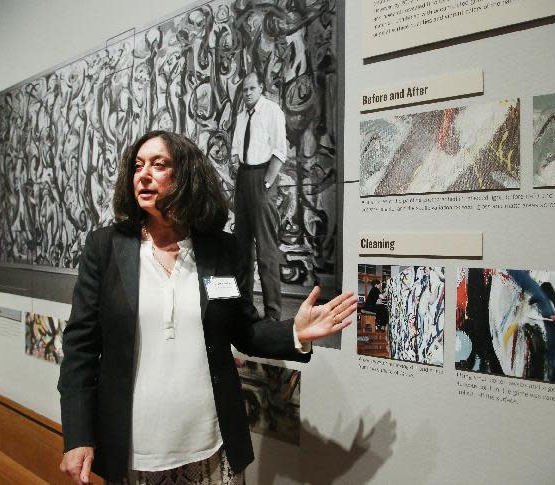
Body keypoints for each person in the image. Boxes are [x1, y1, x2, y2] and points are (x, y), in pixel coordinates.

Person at [58, 131, 356, 485]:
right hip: (134, 449)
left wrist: (295, 332)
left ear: (185, 175)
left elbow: (243, 330)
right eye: (138, 166)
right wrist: (78, 435)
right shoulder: (106, 247)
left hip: (212, 446)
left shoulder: (220, 250)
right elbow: (80, 349)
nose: (144, 174)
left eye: (159, 164)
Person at [230, 71, 288, 320]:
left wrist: (266, 182)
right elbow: (235, 149)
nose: (247, 94)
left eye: (252, 89)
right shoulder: (242, 116)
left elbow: (279, 151)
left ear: (261, 88)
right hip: (243, 179)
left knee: (266, 249)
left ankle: (273, 313)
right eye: (244, 90)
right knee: (242, 248)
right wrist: (235, 164)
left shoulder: (272, 111)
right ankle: (245, 307)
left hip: (262, 179)